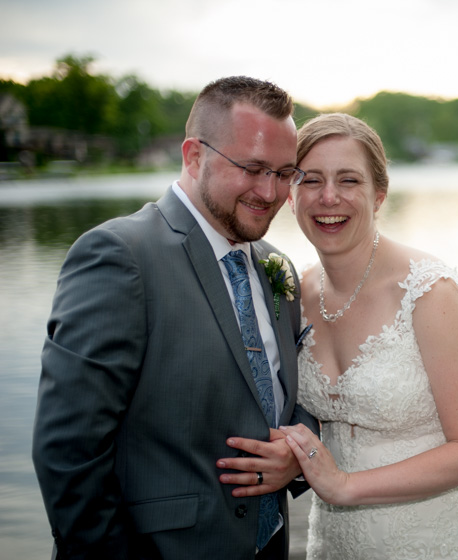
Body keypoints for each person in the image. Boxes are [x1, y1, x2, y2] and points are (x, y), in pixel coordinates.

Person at [32, 76, 319, 559]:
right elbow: (69, 451)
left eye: (284, 172)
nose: (270, 192)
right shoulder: (120, 255)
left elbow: (292, 391)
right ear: (193, 156)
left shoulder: (277, 267)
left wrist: (296, 453)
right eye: (252, 168)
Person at [279, 113, 458, 559]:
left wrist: (344, 486)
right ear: (290, 193)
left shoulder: (430, 293)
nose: (329, 197)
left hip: (437, 541)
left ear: (378, 194)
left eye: (348, 180)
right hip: (335, 545)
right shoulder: (292, 295)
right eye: (310, 180)